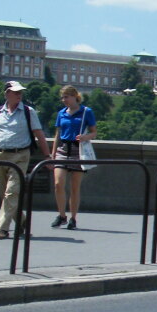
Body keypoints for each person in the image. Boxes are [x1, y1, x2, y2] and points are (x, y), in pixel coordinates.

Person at [0, 81, 48, 240]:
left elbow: (39, 134)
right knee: (3, 192)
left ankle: (2, 229)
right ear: (6, 94)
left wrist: (47, 155)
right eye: (15, 92)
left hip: (20, 156)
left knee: (11, 192)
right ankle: (22, 221)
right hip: (1, 155)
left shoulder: (28, 111)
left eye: (20, 92)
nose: (19, 94)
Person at [49, 85, 96, 231]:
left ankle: (73, 218)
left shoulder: (86, 112)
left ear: (75, 96)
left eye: (66, 97)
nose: (64, 100)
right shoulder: (61, 113)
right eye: (62, 97)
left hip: (78, 150)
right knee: (58, 183)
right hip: (63, 150)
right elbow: (58, 134)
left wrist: (85, 137)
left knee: (75, 187)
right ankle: (62, 215)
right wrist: (52, 154)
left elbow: (94, 132)